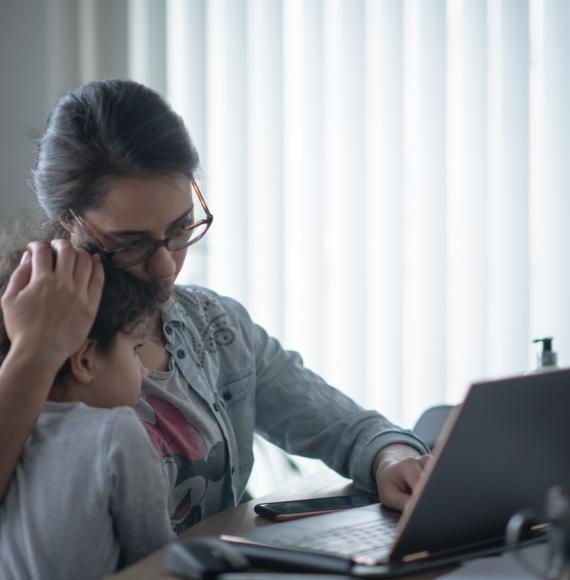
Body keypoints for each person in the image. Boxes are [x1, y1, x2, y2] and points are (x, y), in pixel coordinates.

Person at [0, 79, 430, 536]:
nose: (166, 266)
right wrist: (35, 353)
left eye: (181, 227)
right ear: (69, 222)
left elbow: (346, 427)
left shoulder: (214, 326)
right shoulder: (22, 337)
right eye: (131, 243)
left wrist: (392, 459)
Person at [0, 235, 175, 580]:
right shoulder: (116, 431)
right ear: (85, 359)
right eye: (136, 349)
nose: (144, 372)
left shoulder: (17, 432)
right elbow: (158, 556)